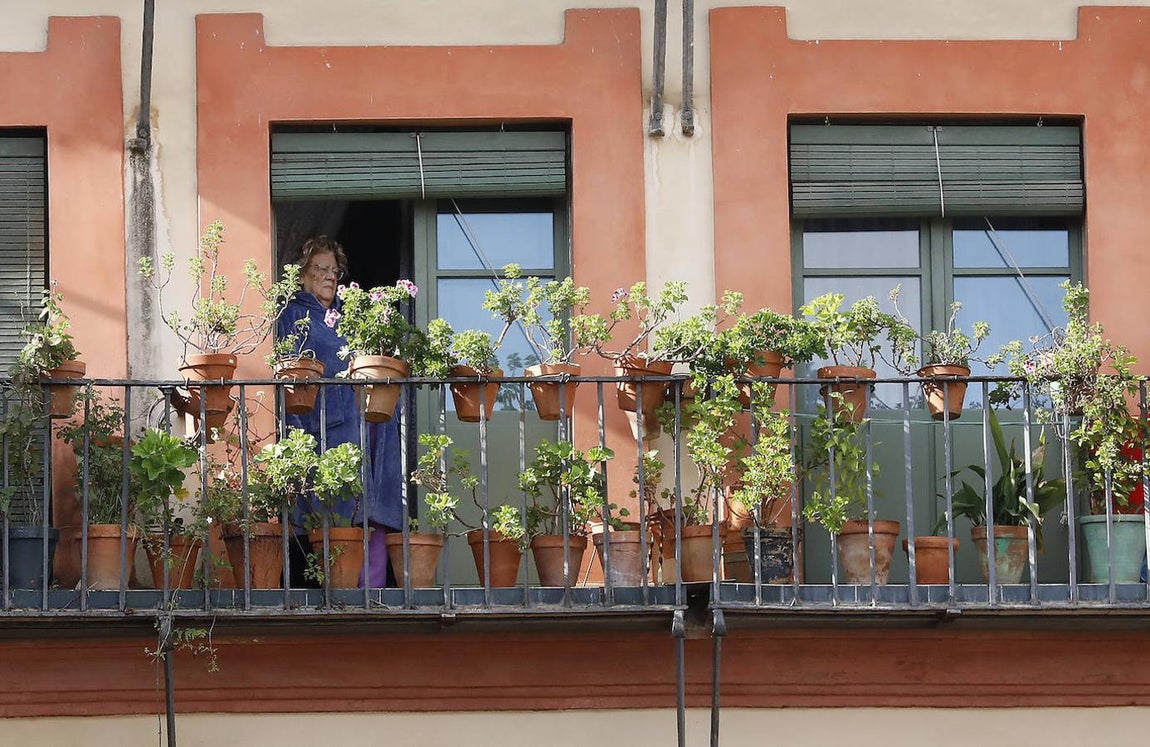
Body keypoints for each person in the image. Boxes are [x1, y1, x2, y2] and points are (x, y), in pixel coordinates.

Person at [276, 236, 403, 587]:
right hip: (329, 427)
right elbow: (288, 375)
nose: (331, 276)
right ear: (303, 273)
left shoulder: (349, 316)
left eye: (335, 270)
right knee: (336, 509)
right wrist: (295, 435)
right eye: (322, 268)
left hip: (370, 421)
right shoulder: (293, 315)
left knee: (373, 510)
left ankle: (373, 590)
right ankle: (339, 588)